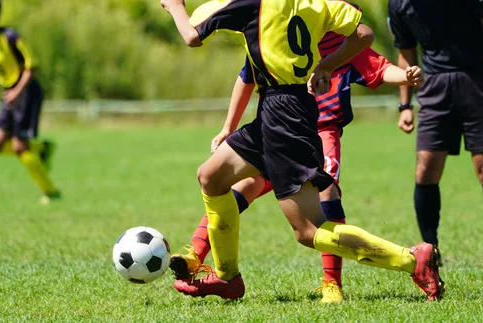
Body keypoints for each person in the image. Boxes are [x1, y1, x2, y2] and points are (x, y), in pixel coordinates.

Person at [160, 0, 444, 302]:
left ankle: (412, 261)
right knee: (211, 176)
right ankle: (225, 275)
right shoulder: (317, 3)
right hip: (282, 109)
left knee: (309, 231)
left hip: (285, 114)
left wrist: (175, 6)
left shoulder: (252, 5)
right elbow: (364, 34)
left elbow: (192, 35)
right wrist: (325, 66)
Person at [388, 0, 483, 268]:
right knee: (426, 168)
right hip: (434, 85)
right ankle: (430, 250)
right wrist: (405, 105)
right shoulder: (398, 4)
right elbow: (406, 50)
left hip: (477, 78)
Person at [0, 0, 60, 204]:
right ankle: (42, 148)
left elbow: (32, 66)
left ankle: (50, 192)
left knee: (20, 146)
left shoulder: (11, 37)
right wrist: (9, 92)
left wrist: (17, 92)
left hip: (27, 91)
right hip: (9, 94)